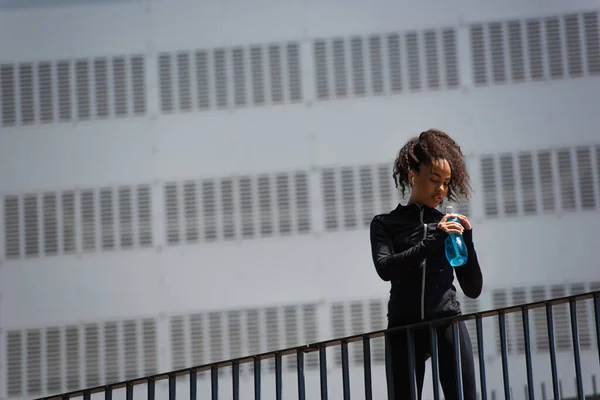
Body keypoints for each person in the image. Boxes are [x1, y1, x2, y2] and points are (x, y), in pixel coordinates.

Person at [369, 129, 483, 400]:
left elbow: (473, 288)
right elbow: (385, 268)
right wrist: (433, 239)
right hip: (402, 330)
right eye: (434, 180)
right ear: (412, 176)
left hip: (447, 324)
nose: (441, 190)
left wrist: (467, 238)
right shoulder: (385, 224)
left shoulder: (447, 227)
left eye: (446, 182)